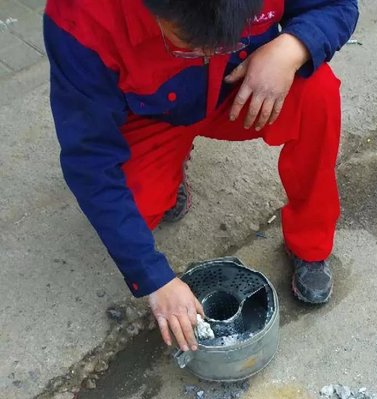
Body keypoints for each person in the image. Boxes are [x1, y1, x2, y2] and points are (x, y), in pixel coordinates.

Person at [44, 0, 359, 353]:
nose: (208, 53)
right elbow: (91, 159)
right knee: (134, 212)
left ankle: (310, 245)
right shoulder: (80, 18)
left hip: (240, 87)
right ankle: (171, 165)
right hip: (152, 114)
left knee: (318, 90)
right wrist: (154, 279)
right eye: (187, 44)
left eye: (225, 39)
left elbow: (338, 5)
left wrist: (292, 47)